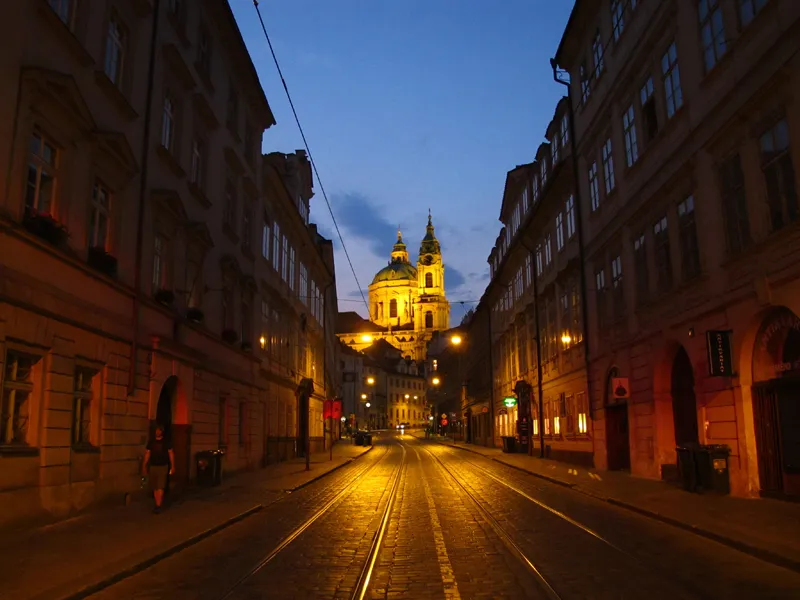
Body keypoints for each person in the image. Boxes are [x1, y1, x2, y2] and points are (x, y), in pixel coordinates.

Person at [142, 426, 174, 514]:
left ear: (162, 432)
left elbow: (171, 453)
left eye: (159, 430)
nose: (157, 432)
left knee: (160, 486)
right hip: (153, 466)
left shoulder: (166, 442)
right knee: (155, 486)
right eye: (156, 430)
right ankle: (157, 503)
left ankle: (158, 505)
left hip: (163, 466)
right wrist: (144, 464)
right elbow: (147, 453)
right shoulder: (151, 442)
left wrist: (172, 466)